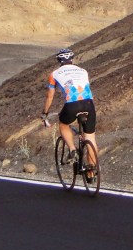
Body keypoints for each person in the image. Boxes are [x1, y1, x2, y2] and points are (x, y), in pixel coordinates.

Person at [41, 48, 98, 177]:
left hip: (72, 105)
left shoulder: (54, 74)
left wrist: (44, 113)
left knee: (63, 123)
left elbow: (49, 96)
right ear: (72, 59)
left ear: (59, 60)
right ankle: (92, 173)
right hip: (89, 104)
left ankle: (72, 150)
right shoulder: (83, 71)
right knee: (90, 139)